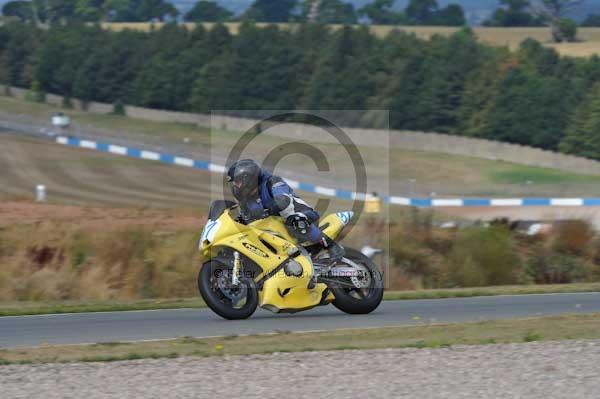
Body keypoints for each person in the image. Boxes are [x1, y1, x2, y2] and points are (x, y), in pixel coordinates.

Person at [226, 159, 344, 262]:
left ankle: (331, 246)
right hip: (276, 227)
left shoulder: (272, 182)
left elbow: (283, 200)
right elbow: (245, 218)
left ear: (248, 179)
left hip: (301, 215)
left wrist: (269, 209)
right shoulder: (246, 200)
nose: (235, 186)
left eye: (237, 182)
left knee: (295, 221)